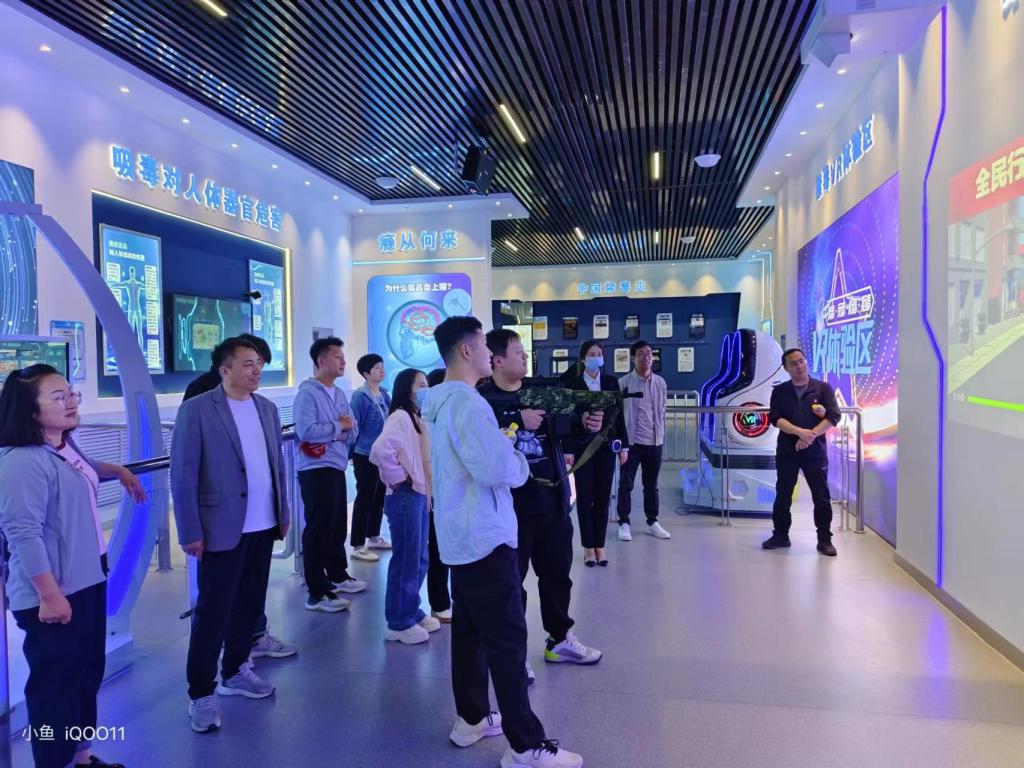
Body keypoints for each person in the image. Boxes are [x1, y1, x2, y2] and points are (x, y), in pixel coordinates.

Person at [422, 316, 583, 768]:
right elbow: (498, 470)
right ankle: (525, 745)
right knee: (508, 641)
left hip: (460, 536)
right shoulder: (468, 404)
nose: (489, 354)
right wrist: (516, 459)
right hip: (485, 537)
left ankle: (471, 718)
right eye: (482, 346)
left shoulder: (440, 402)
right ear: (467, 351)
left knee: (469, 634)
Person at [0, 364, 145, 768]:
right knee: (54, 689)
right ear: (30, 409)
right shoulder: (21, 462)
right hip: (53, 592)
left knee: (85, 674)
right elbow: (24, 534)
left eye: (71, 394)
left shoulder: (63, 445)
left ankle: (81, 757)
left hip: (87, 578)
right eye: (58, 397)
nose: (71, 402)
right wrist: (49, 595)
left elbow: (81, 468)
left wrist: (116, 470)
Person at [170, 337, 290, 734]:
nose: (257, 370)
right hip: (220, 527)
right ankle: (201, 693)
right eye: (247, 364)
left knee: (249, 604)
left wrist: (283, 513)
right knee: (213, 612)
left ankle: (236, 670)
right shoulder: (197, 410)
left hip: (263, 523)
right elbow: (183, 475)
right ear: (225, 370)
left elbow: (276, 466)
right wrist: (189, 530)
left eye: (258, 364)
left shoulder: (267, 408)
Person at [479, 329, 602, 680]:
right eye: (517, 351)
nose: (524, 356)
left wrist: (585, 424)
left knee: (557, 577)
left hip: (551, 503)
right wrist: (517, 420)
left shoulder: (541, 390)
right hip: (510, 510)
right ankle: (515, 654)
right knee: (510, 585)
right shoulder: (482, 400)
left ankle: (559, 639)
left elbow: (566, 427)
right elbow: (482, 440)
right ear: (497, 360)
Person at [293, 336, 366, 614]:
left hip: (336, 464)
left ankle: (337, 575)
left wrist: (339, 430)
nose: (343, 362)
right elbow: (307, 431)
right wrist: (338, 428)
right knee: (319, 527)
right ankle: (317, 591)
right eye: (337, 357)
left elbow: (353, 427)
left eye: (343, 357)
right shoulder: (307, 394)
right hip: (315, 468)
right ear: (321, 360)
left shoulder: (339, 393)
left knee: (336, 524)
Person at [370, 368, 439, 644]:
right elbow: (380, 450)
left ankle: (410, 609)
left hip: (419, 493)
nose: (426, 390)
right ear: (406, 389)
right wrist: (401, 478)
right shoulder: (399, 417)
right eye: (420, 385)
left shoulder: (416, 417)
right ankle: (398, 622)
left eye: (426, 385)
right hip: (406, 496)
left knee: (419, 557)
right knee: (407, 558)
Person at [763, 348, 842, 556]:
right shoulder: (780, 391)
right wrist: (800, 433)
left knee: (821, 495)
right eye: (794, 363)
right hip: (787, 451)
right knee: (783, 493)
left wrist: (810, 436)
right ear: (786, 368)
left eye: (801, 361)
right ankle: (781, 535)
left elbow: (833, 416)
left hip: (815, 451)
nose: (799, 366)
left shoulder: (822, 388)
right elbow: (776, 419)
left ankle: (824, 539)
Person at [564, 340, 630, 566]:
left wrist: (623, 446)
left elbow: (618, 416)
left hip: (606, 447)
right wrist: (567, 449)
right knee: (585, 498)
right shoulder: (572, 384)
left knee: (602, 498)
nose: (596, 357)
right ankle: (588, 547)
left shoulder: (611, 382)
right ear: (583, 358)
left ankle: (600, 545)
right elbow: (567, 418)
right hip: (582, 448)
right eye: (591, 354)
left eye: (599, 354)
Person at [616, 340, 671, 541]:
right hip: (631, 443)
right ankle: (624, 522)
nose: (646, 357)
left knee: (651, 485)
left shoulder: (660, 383)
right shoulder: (623, 383)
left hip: (654, 441)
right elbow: (618, 416)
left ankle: (652, 521)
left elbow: (661, 410)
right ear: (633, 357)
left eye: (649, 353)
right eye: (641, 353)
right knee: (626, 484)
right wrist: (621, 443)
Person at [349, 353, 392, 561]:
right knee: (365, 497)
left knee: (379, 496)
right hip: (365, 453)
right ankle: (358, 544)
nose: (381, 370)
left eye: (382, 366)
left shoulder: (384, 394)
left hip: (382, 453)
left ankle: (374, 536)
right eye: (376, 367)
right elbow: (354, 426)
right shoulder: (360, 396)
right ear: (366, 373)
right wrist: (350, 452)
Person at [424, 367, 451, 623]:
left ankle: (448, 599)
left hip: (453, 494)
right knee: (437, 548)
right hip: (433, 493)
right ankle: (439, 602)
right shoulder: (425, 419)